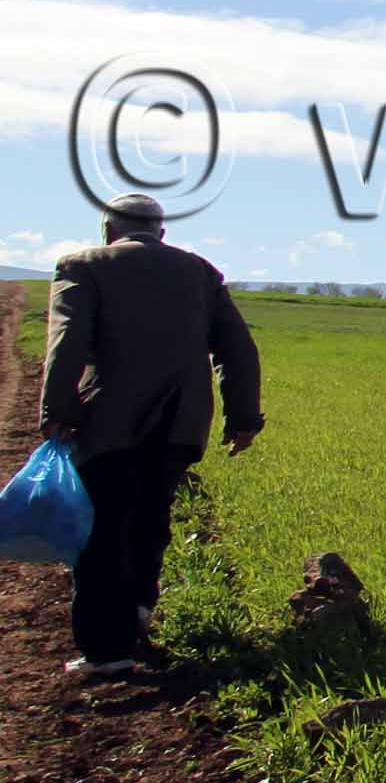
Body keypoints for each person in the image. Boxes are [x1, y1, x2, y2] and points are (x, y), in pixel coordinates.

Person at [38, 193, 264, 678]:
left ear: (108, 230)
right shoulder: (200, 272)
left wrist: (57, 410)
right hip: (180, 424)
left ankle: (105, 649)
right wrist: (243, 418)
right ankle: (139, 606)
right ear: (161, 234)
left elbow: (67, 341)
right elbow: (238, 349)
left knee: (100, 531)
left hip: (107, 422)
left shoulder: (82, 265)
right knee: (150, 515)